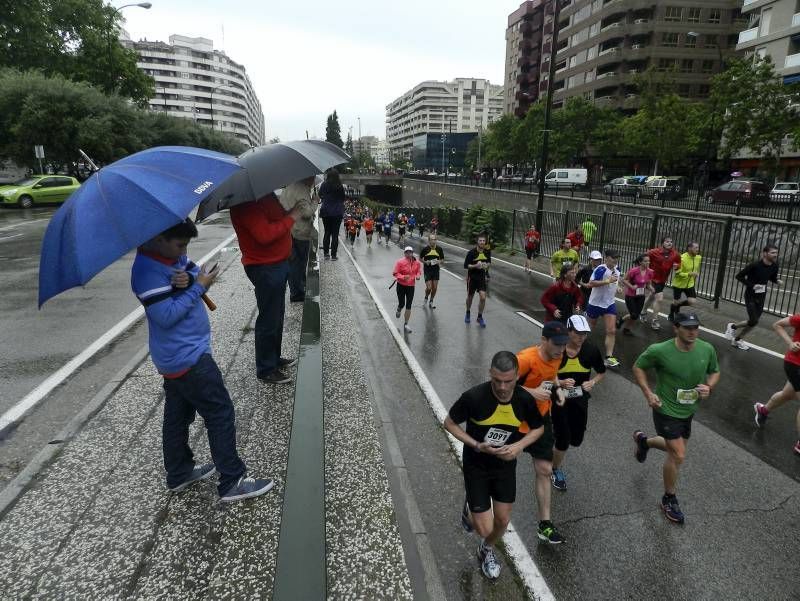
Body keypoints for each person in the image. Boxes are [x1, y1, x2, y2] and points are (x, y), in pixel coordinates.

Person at [132, 219, 274, 503]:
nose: (184, 251)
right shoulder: (146, 272)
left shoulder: (171, 257)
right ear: (159, 238)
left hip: (178, 356)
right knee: (219, 412)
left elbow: (195, 271)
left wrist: (191, 278)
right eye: (180, 244)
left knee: (178, 416)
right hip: (187, 357)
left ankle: (179, 472)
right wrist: (197, 288)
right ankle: (231, 480)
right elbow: (166, 316)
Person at [444, 351, 545, 580]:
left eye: (508, 381)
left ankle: (486, 550)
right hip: (476, 464)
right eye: (496, 380)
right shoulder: (473, 397)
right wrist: (477, 445)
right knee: (484, 528)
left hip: (504, 464)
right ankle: (472, 508)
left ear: (517, 376)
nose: (501, 386)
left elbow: (538, 428)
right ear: (490, 373)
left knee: (502, 521)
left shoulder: (524, 399)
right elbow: (449, 423)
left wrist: (518, 447)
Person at [632, 312, 720, 524]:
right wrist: (648, 393)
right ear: (676, 328)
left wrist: (709, 386)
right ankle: (668, 498)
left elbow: (715, 371)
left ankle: (644, 442)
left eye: (696, 327)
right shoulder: (660, 350)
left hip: (688, 409)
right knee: (678, 454)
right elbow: (638, 367)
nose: (692, 332)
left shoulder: (706, 349)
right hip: (665, 409)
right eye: (687, 327)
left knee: (674, 449)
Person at [231, 193, 301, 385]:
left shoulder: (265, 196)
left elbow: (275, 218)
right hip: (265, 267)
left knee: (277, 315)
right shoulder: (246, 204)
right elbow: (265, 235)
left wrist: (288, 212)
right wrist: (291, 217)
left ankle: (274, 358)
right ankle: (266, 368)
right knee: (269, 319)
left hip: (277, 263)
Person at [516, 321, 570, 544]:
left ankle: (544, 524)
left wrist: (557, 390)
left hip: (540, 419)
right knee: (496, 467)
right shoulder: (525, 359)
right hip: (514, 420)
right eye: (556, 344)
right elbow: (500, 385)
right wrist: (531, 393)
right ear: (544, 340)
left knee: (545, 469)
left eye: (563, 344)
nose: (560, 348)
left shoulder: (558, 356)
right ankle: (478, 503)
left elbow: (552, 376)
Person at [550, 315, 606, 491]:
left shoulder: (590, 350)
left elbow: (601, 372)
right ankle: (554, 469)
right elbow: (544, 374)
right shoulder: (557, 350)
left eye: (585, 333)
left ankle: (557, 434)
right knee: (564, 439)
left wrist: (593, 382)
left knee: (577, 439)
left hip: (580, 399)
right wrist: (559, 382)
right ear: (568, 331)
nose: (582, 337)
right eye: (578, 333)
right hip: (559, 398)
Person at [753, 314, 800, 455]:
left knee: (788, 394)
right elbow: (777, 325)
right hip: (795, 364)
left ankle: (763, 410)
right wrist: (790, 343)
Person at [726, 244, 782, 351]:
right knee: (754, 320)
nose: (775, 255)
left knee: (753, 322)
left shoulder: (775, 265)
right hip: (751, 295)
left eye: (776, 252)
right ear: (765, 253)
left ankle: (737, 338)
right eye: (773, 252)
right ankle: (732, 327)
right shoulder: (755, 265)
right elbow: (739, 276)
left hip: (761, 296)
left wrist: (777, 281)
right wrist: (752, 285)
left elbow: (772, 277)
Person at [281, 176, 317, 303]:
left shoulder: (289, 186)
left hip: (288, 230)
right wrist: (314, 202)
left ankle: (298, 287)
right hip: (300, 231)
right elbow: (307, 213)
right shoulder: (302, 189)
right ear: (309, 178)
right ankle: (297, 292)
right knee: (299, 263)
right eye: (313, 178)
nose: (314, 181)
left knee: (293, 262)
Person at [586, 248, 622, 368]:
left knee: (611, 330)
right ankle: (577, 346)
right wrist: (607, 281)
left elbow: (616, 281)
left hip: (609, 304)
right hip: (595, 303)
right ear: (606, 258)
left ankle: (608, 357)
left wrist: (618, 287)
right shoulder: (600, 269)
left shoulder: (618, 269)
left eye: (617, 258)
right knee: (589, 328)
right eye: (613, 258)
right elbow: (591, 283)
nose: (615, 260)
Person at [643, 237, 681, 331]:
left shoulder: (675, 254)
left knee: (652, 296)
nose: (669, 243)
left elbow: (678, 263)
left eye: (671, 242)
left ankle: (643, 311)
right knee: (659, 298)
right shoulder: (653, 252)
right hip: (652, 278)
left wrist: (677, 267)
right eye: (667, 241)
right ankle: (655, 320)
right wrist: (646, 269)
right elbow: (643, 258)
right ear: (662, 243)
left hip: (662, 280)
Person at [618, 254, 655, 335]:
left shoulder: (650, 272)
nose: (648, 262)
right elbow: (623, 280)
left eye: (649, 261)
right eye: (645, 261)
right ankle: (621, 320)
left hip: (641, 295)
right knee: (633, 314)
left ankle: (626, 329)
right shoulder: (634, 271)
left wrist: (651, 289)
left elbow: (648, 284)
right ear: (640, 262)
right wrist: (631, 286)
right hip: (630, 295)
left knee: (636, 316)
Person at [668, 242, 701, 323]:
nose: (697, 249)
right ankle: (671, 313)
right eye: (695, 248)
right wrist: (689, 274)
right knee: (675, 302)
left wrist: (695, 276)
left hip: (689, 284)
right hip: (679, 284)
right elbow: (677, 273)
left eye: (698, 248)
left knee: (692, 301)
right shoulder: (681, 258)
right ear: (689, 248)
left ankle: (678, 305)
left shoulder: (699, 257)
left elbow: (697, 269)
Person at [464, 234, 491, 327]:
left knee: (483, 297)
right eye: (480, 241)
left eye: (483, 241)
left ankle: (479, 317)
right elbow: (466, 265)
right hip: (472, 277)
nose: (482, 242)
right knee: (470, 297)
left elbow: (489, 263)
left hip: (481, 277)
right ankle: (468, 312)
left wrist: (486, 266)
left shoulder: (487, 252)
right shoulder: (471, 253)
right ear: (477, 242)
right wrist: (475, 266)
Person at [392, 246, 422, 333]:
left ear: (412, 253)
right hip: (401, 285)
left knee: (409, 305)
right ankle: (399, 308)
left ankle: (406, 324)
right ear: (404, 253)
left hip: (411, 286)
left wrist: (418, 275)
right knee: (402, 303)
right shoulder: (400, 262)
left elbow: (418, 271)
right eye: (407, 252)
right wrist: (403, 277)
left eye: (410, 252)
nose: (408, 254)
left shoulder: (417, 263)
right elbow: (395, 273)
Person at [319, 169, 346, 261]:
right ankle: (333, 256)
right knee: (335, 234)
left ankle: (326, 254)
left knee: (327, 232)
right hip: (337, 212)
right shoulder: (339, 185)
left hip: (325, 211)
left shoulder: (324, 184)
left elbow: (320, 195)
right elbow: (343, 198)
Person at [420, 234, 445, 309]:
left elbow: (442, 259)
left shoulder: (439, 249)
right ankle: (426, 297)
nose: (433, 241)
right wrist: (425, 262)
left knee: (434, 288)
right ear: (429, 241)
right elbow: (420, 258)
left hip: (436, 270)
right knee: (429, 287)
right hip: (427, 270)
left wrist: (439, 262)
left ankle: (431, 301)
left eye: (434, 239)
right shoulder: (425, 249)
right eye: (432, 239)